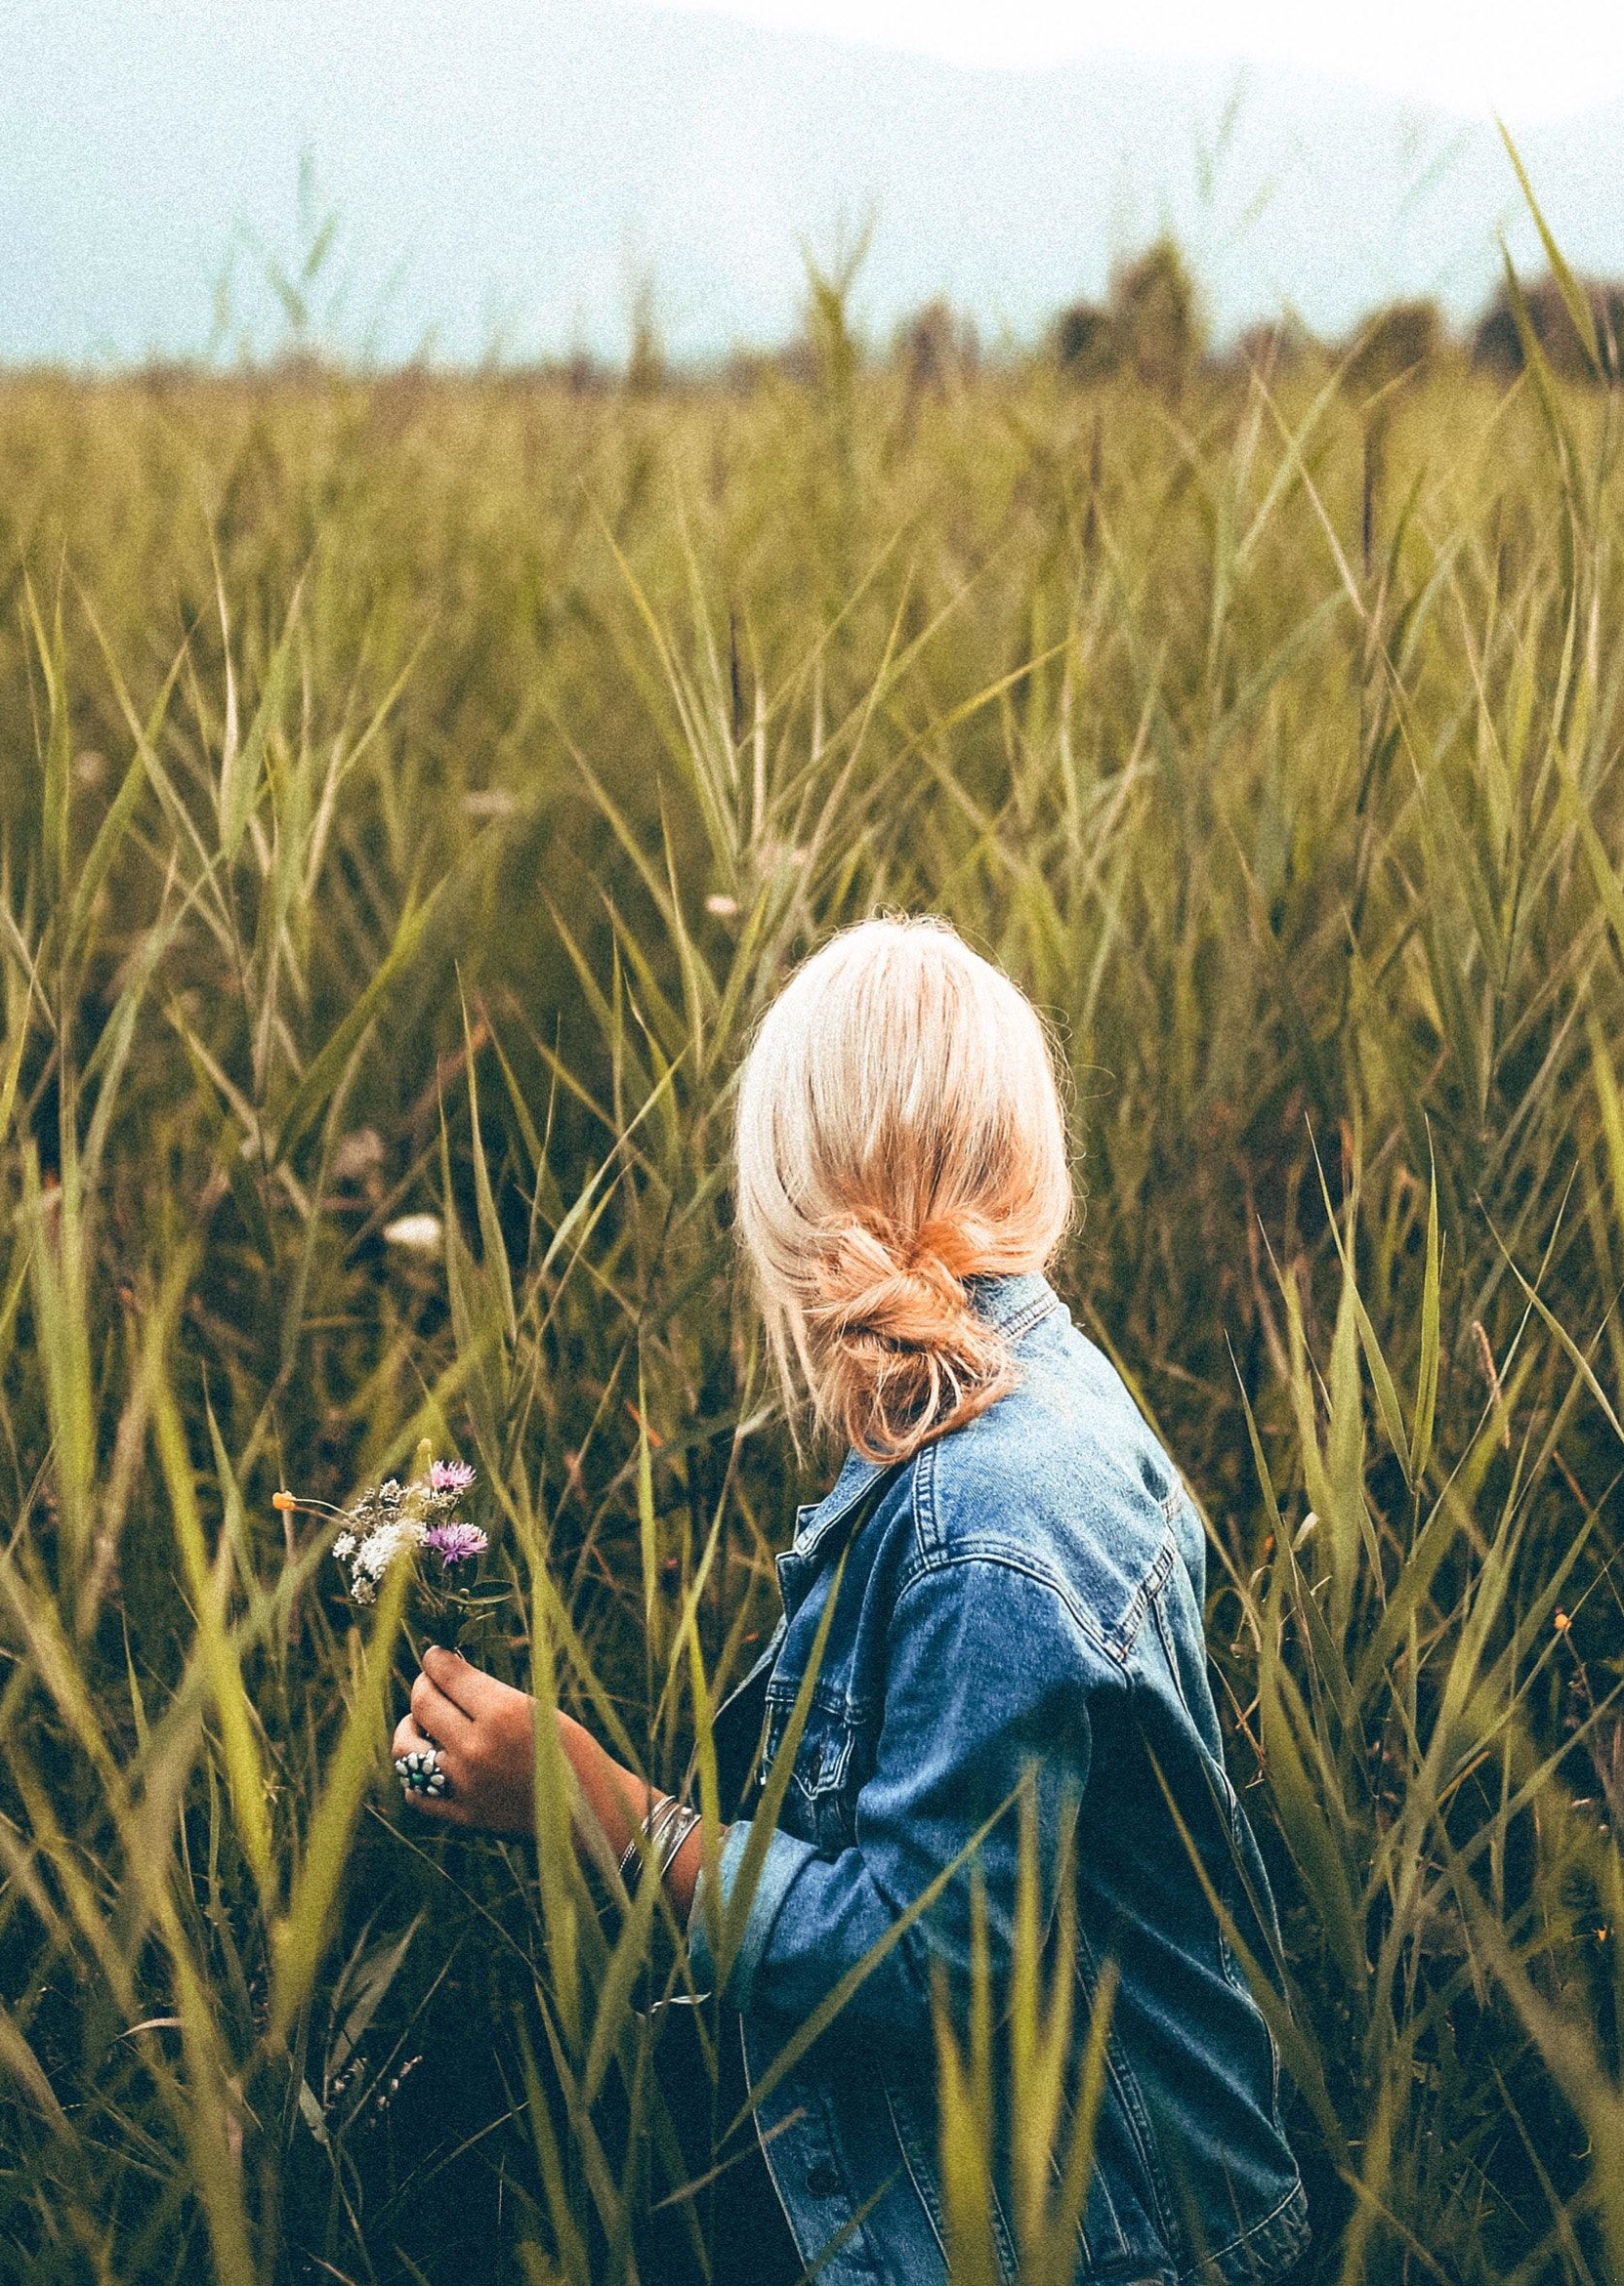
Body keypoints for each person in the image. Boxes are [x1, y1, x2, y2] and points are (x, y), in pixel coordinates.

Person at [393, 915, 1312, 2284]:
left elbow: (925, 1956)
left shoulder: (979, 1520)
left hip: (1112, 2243)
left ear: (794, 1207)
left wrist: (594, 1800)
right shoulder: (1042, 1399)